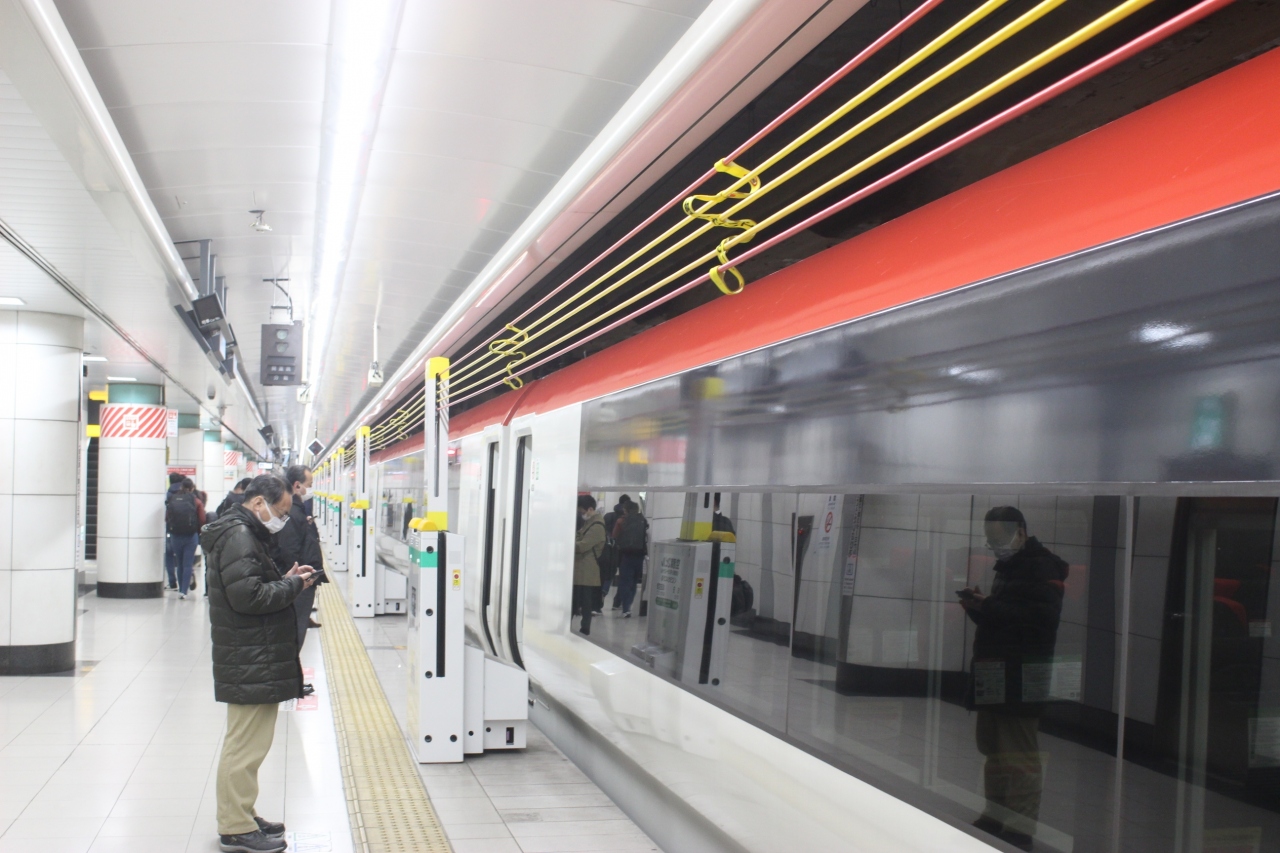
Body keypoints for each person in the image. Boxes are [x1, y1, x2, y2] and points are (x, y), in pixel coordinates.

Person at [201, 474, 316, 853]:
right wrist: (293, 586)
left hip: (251, 654)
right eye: (280, 512)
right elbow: (249, 597)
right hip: (249, 655)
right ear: (257, 504)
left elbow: (248, 586)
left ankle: (243, 815)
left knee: (250, 745)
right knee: (244, 747)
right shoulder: (239, 535)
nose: (281, 520)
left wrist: (283, 579)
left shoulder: (243, 532)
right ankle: (235, 827)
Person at [958, 506, 1068, 852]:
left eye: (999, 540)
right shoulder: (1009, 568)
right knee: (993, 749)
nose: (995, 547)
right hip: (997, 669)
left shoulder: (1042, 567)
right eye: (990, 541)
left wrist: (988, 606)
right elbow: (1007, 620)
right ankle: (995, 815)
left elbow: (1039, 621)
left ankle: (1019, 829)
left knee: (1019, 755)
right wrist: (980, 609)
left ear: (1020, 533)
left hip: (1022, 673)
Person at [274, 464, 326, 697]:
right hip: (300, 583)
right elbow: (289, 550)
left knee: (296, 631)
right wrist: (297, 578)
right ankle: (289, 682)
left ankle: (292, 680)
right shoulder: (294, 513)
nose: (310, 489)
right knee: (295, 632)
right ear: (297, 485)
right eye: (309, 485)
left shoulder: (297, 510)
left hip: (301, 580)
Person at [165, 478, 206, 598]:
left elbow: (167, 518)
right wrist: (198, 531)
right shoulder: (196, 501)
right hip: (191, 536)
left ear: (181, 487)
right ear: (192, 488)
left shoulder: (173, 499)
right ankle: (184, 591)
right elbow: (202, 519)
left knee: (180, 563)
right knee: (188, 564)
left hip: (175, 536)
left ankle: (180, 589)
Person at [573, 495, 606, 636]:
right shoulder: (589, 522)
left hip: (588, 570)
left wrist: (570, 543)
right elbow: (578, 537)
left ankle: (585, 629)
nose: (581, 514)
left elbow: (583, 545)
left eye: (582, 511)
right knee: (574, 600)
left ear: (590, 509)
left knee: (586, 602)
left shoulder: (597, 526)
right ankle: (567, 626)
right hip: (581, 568)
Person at [612, 500, 648, 617]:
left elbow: (614, 536)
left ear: (626, 510)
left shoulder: (621, 521)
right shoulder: (643, 520)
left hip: (626, 555)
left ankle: (625, 608)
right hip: (639, 556)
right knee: (633, 582)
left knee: (625, 581)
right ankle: (626, 606)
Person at [163, 472, 186, 589]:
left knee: (169, 554)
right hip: (187, 529)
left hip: (171, 529)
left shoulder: (168, 494)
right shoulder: (187, 493)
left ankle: (172, 582)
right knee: (184, 556)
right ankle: (185, 581)